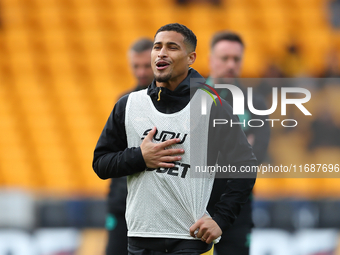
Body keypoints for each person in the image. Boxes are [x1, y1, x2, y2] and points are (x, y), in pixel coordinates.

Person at [93, 23, 257, 255]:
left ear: (191, 58)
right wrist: (140, 156)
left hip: (188, 239)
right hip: (140, 238)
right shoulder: (128, 105)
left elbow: (246, 166)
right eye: (157, 46)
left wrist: (220, 219)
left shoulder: (212, 105)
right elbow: (101, 163)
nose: (161, 52)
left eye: (172, 47)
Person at [206, 31, 270, 255]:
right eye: (225, 58)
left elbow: (257, 155)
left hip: (237, 206)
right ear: (211, 59)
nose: (231, 64)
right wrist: (240, 146)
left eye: (237, 59)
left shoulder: (255, 102)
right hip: (195, 205)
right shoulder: (191, 97)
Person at [105, 38, 154, 255]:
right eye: (136, 66)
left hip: (154, 209)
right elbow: (110, 155)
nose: (141, 72)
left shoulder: (177, 104)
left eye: (146, 65)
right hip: (123, 203)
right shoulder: (124, 103)